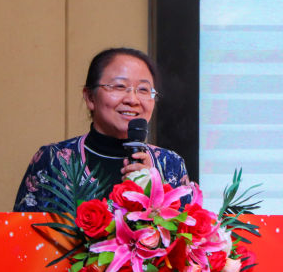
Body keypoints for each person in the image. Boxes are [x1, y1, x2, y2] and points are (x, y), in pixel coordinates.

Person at [13, 47, 191, 212]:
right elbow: (24, 232)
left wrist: (153, 194)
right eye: (119, 86)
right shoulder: (53, 160)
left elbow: (186, 232)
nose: (132, 99)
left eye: (143, 90)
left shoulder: (170, 164)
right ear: (90, 97)